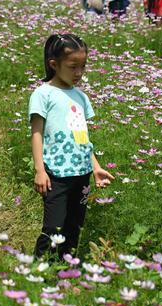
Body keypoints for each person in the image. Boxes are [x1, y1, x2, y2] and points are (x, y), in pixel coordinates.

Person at [30, 34, 114, 260]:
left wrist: (95, 167)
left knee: (74, 226)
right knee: (53, 227)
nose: (78, 73)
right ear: (54, 65)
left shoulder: (80, 97)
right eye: (73, 66)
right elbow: (36, 134)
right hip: (55, 174)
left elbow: (82, 137)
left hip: (81, 173)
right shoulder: (43, 94)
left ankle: (67, 272)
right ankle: (40, 269)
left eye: (83, 67)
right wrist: (40, 170)